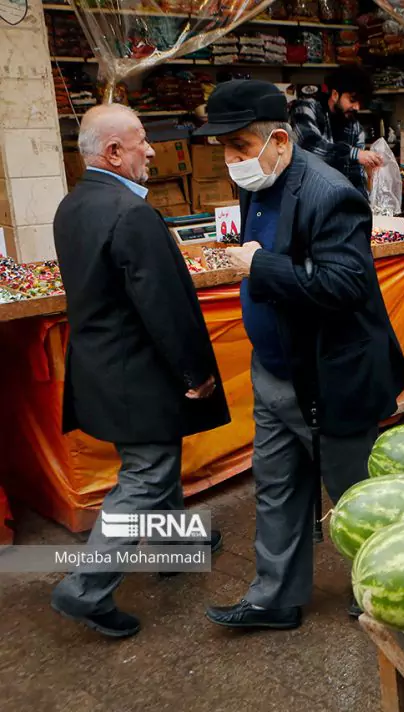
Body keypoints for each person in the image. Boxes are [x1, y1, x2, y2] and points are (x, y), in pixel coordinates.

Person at [196, 81, 404, 630]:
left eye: (240, 148)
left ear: (278, 141)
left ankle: (384, 591)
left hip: (331, 374)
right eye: (225, 150)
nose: (232, 161)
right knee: (277, 486)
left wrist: (259, 267)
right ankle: (275, 598)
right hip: (274, 370)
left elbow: (345, 284)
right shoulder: (257, 186)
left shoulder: (329, 192)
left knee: (354, 494)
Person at [50, 104, 229, 639]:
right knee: (146, 473)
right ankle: (85, 587)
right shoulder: (130, 213)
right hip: (136, 369)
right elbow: (165, 305)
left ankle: (176, 545)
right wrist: (195, 371)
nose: (152, 150)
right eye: (142, 141)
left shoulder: (73, 204)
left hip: (104, 365)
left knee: (154, 459)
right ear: (113, 152)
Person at [290, 68, 380, 196]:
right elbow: (310, 147)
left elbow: (356, 176)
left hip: (338, 198)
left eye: (361, 102)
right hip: (305, 194)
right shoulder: (306, 108)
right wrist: (354, 154)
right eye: (352, 100)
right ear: (335, 94)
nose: (357, 107)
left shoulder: (355, 128)